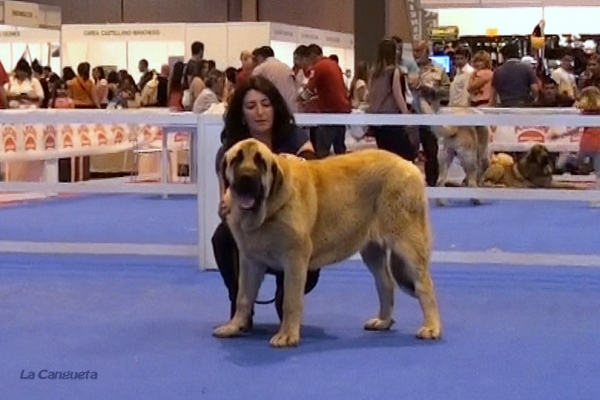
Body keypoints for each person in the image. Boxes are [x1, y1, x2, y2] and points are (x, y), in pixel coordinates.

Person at [212, 75, 322, 327]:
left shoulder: (293, 136)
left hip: (290, 224)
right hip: (251, 224)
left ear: (275, 107)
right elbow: (226, 200)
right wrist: (225, 206)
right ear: (241, 114)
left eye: (265, 104)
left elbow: (312, 162)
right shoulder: (229, 151)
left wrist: (298, 160)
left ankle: (287, 296)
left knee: (297, 238)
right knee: (222, 238)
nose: (260, 112)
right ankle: (240, 307)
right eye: (251, 107)